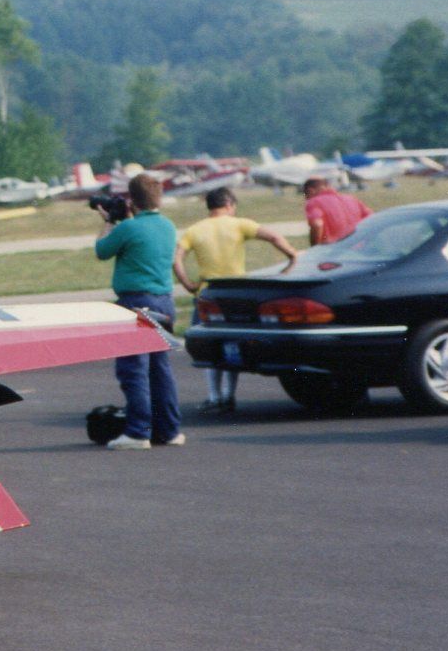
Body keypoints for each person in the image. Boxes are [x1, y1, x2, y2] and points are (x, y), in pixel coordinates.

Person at [173, 187, 299, 413]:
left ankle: (214, 396)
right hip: (234, 292)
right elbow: (274, 237)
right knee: (232, 344)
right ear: (229, 204)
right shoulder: (240, 224)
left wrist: (188, 284)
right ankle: (230, 396)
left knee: (209, 345)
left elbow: (177, 258)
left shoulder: (195, 230)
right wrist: (292, 255)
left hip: (208, 291)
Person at [92, 173, 183, 450]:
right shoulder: (168, 226)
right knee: (160, 369)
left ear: (132, 199)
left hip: (136, 302)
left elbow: (101, 250)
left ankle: (137, 431)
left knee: (133, 369)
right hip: (164, 301)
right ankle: (169, 430)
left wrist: (108, 221)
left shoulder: (127, 229)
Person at [303, 176, 372, 245]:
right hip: (359, 247)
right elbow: (372, 219)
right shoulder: (351, 199)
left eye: (306, 195)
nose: (306, 198)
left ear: (310, 191)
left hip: (333, 249)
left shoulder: (314, 202)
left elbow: (317, 224)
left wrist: (314, 249)